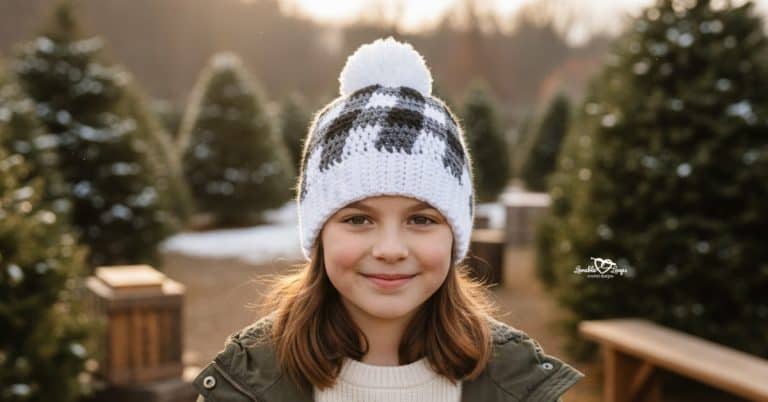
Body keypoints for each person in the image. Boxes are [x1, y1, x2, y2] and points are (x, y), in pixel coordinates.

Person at [193, 36, 584, 402]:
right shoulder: (249, 384)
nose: (390, 249)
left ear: (455, 234)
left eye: (422, 220)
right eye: (358, 220)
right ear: (319, 232)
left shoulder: (514, 384)